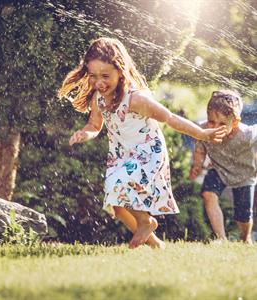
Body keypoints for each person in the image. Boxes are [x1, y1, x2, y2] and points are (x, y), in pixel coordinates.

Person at [59, 37, 227, 249]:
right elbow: (94, 125)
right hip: (121, 156)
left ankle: (146, 221)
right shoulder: (98, 98)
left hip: (147, 153)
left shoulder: (135, 99)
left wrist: (202, 133)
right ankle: (155, 243)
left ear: (120, 72)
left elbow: (170, 118)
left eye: (105, 76)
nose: (99, 82)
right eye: (93, 76)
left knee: (117, 186)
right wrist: (85, 133)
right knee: (117, 207)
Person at [189, 90, 257, 244]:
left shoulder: (247, 134)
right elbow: (200, 148)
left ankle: (245, 238)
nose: (215, 127)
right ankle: (221, 238)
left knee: (243, 215)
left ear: (235, 122)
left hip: (244, 175)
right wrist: (197, 165)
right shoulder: (203, 130)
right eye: (211, 121)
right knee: (208, 194)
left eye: (221, 124)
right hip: (219, 170)